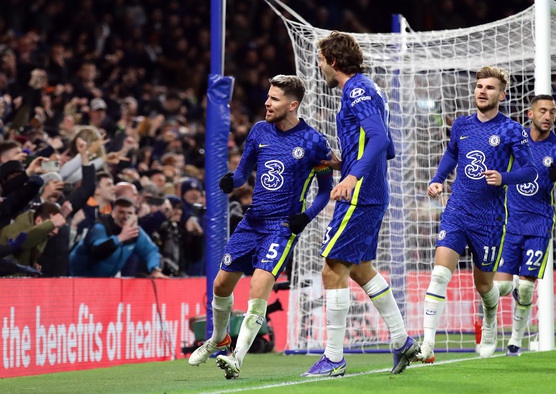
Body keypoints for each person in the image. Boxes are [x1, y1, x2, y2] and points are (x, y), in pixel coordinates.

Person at [188, 75, 333, 380]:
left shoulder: (313, 141)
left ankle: (236, 358)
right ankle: (219, 338)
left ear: (292, 105)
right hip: (251, 222)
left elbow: (323, 190)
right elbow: (243, 173)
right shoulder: (259, 131)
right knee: (220, 286)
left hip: (281, 227)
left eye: (275, 99)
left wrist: (305, 217)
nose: (267, 103)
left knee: (258, 289)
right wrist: (232, 180)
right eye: (268, 96)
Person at [301, 31, 418, 378]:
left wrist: (352, 176)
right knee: (361, 269)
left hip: (360, 192)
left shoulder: (356, 89)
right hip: (369, 188)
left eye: (321, 59)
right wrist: (345, 163)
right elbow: (388, 145)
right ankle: (401, 340)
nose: (319, 65)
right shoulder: (366, 88)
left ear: (333, 61)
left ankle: (334, 357)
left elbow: (380, 138)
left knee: (332, 268)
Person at [417, 66, 537, 362]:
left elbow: (531, 171)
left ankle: (491, 318)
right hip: (457, 211)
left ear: (502, 94)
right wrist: (437, 179)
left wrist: (504, 178)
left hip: (490, 220)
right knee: (439, 274)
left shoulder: (511, 129)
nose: (482, 91)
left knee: (484, 285)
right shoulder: (461, 125)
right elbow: (452, 154)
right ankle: (427, 345)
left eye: (490, 87)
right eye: (479, 86)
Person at [493, 94, 556, 356]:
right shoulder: (515, 140)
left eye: (552, 112)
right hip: (509, 222)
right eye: (542, 111)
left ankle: (515, 342)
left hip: (539, 224)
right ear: (530, 114)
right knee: (503, 287)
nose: (548, 116)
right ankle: (487, 328)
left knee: (527, 286)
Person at [69, 196, 167, 278]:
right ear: (113, 213)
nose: (125, 217)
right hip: (77, 279)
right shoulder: (100, 227)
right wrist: (120, 238)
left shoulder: (135, 231)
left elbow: (151, 251)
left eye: (129, 213)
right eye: (121, 212)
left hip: (105, 281)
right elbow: (96, 251)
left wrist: (156, 270)